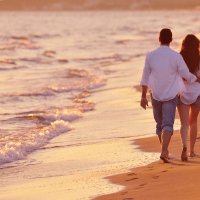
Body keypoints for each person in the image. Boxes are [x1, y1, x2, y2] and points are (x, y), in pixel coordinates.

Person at [140, 28, 197, 163]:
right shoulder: (175, 56)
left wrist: (143, 96)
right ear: (171, 40)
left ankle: (164, 151)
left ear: (159, 39)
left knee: (159, 124)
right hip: (171, 95)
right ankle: (164, 151)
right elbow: (184, 73)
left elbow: (145, 77)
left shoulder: (151, 55)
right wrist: (194, 78)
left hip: (155, 94)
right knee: (167, 124)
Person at [177, 34, 200, 161]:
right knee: (194, 122)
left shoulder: (179, 57)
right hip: (197, 93)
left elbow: (176, 75)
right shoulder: (199, 58)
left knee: (184, 124)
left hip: (182, 92)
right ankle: (191, 151)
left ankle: (184, 148)